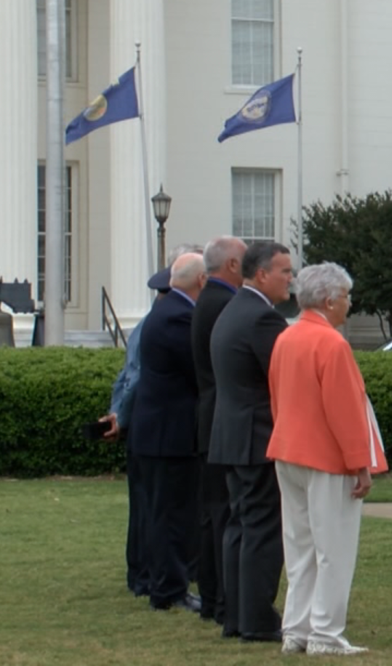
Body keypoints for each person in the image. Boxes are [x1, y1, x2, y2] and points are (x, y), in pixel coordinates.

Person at [267, 263, 387, 656]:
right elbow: (346, 411)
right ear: (330, 299)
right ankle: (325, 633)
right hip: (326, 457)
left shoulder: (286, 337)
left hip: (288, 451)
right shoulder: (332, 344)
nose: (349, 305)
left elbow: (277, 398)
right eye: (347, 297)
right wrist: (360, 464)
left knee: (299, 546)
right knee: (333, 549)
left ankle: (296, 630)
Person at [100, 244, 201, 599]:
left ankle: (144, 574)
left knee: (148, 509)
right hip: (158, 430)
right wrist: (120, 416)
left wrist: (118, 413)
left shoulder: (150, 321)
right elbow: (138, 376)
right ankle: (155, 578)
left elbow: (126, 376)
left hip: (144, 427)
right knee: (160, 510)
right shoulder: (169, 320)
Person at [207, 240, 293, 642]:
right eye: (285, 272)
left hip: (231, 435)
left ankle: (238, 616)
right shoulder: (262, 318)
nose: (290, 280)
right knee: (261, 528)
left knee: (239, 527)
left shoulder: (232, 311)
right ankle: (257, 619)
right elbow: (282, 379)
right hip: (256, 436)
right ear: (262, 274)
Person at [130, 251, 208, 612]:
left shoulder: (163, 312)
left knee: (162, 512)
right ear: (201, 281)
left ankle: (163, 583)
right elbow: (197, 373)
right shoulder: (179, 316)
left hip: (157, 432)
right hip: (168, 434)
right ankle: (169, 588)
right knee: (171, 515)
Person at [190, 235, 247, 625]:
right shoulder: (225, 305)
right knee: (223, 516)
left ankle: (213, 598)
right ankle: (223, 599)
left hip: (208, 419)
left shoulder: (206, 300)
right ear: (231, 265)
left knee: (213, 516)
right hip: (220, 421)